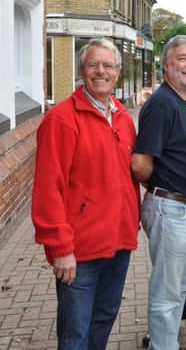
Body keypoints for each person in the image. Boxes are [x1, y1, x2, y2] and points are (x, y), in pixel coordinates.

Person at [31, 38, 139, 349]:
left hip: (119, 244)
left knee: (103, 321)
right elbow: (48, 189)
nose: (100, 71)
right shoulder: (61, 120)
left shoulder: (122, 117)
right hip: (80, 252)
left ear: (118, 72)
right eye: (93, 65)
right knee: (75, 333)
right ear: (82, 70)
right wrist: (60, 248)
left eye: (108, 65)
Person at [131, 35, 186, 350]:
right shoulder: (162, 103)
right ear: (166, 64)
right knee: (167, 292)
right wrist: (164, 190)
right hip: (172, 209)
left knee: (181, 286)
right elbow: (140, 164)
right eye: (183, 58)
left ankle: (162, 339)